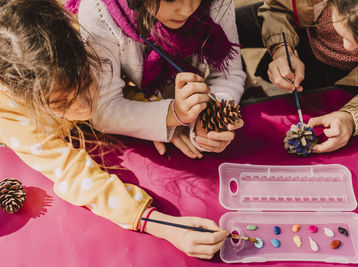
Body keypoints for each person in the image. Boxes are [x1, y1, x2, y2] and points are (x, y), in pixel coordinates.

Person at [0, 0, 227, 259]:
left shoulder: (74, 36)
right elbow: (73, 175)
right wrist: (164, 225)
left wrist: (156, 118)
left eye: (86, 82)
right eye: (63, 103)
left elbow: (116, 86)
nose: (87, 108)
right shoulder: (10, 111)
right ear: (28, 100)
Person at [64, 0, 246, 159]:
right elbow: (102, 107)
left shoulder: (215, 3)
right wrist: (172, 115)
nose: (186, 10)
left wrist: (208, 121)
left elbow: (229, 75)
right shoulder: (98, 10)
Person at [236, 0, 358, 153]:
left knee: (315, 109)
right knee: (231, 28)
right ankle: (249, 87)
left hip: (350, 79)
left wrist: (352, 117)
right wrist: (281, 48)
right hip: (306, 45)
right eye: (342, 32)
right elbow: (278, 7)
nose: (348, 47)